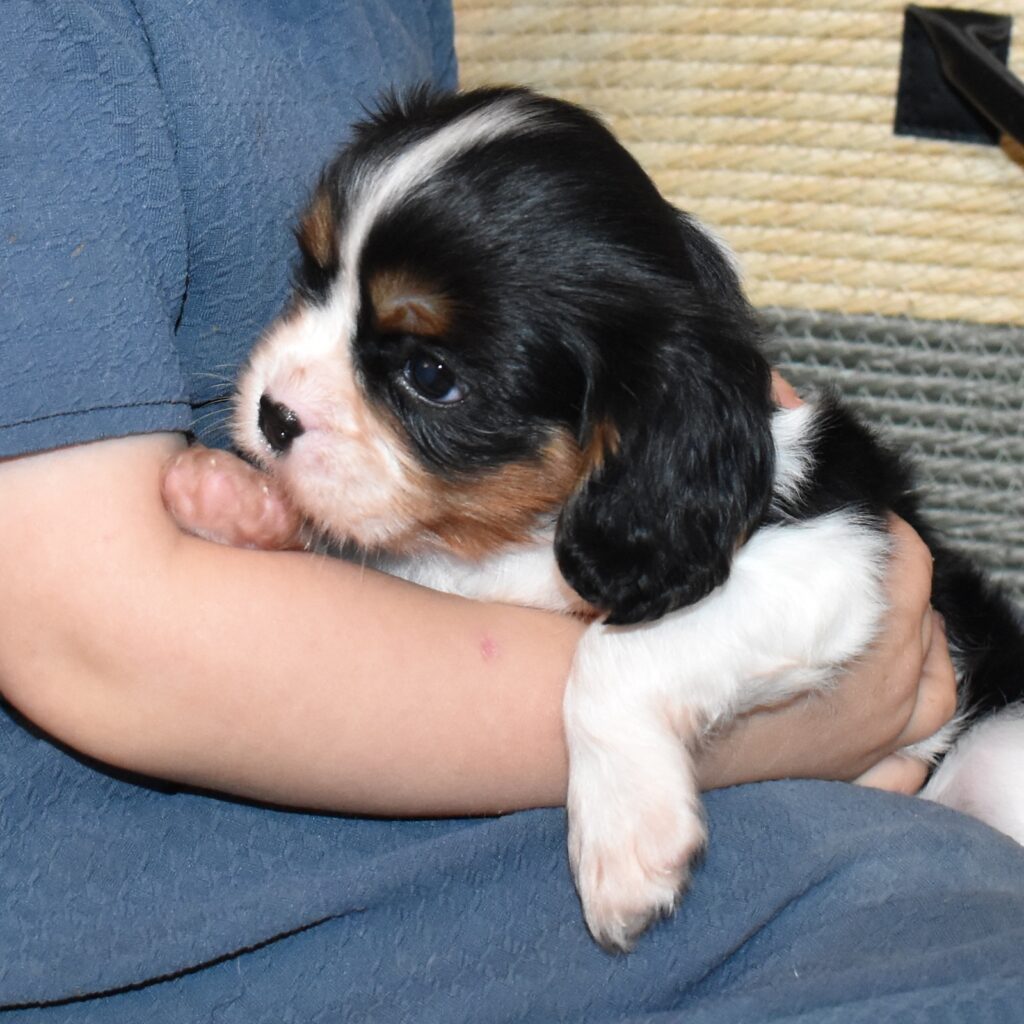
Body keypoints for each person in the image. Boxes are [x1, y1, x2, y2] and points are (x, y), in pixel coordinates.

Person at [2, 2, 1022, 1019]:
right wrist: (726, 732)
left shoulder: (688, 441)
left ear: (627, 435)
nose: (288, 377)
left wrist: (630, 697)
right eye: (316, 279)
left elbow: (836, 591)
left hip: (961, 763)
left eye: (428, 376)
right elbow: (94, 625)